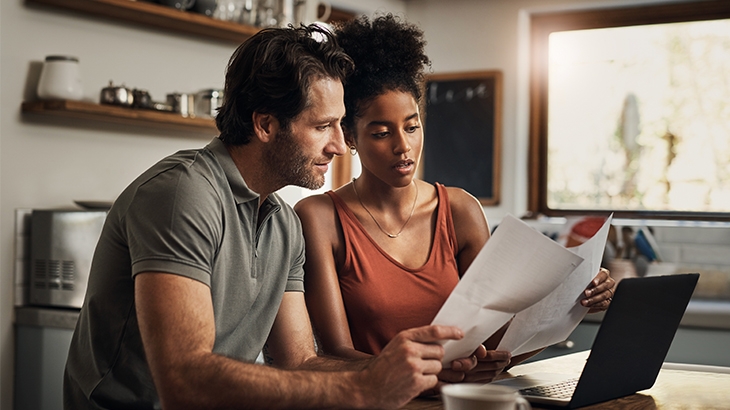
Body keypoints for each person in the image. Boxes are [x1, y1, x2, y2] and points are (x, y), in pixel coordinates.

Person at [63, 24, 468, 410]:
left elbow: (300, 363)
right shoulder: (182, 195)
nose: (339, 147)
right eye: (323, 126)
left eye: (340, 125)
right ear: (266, 124)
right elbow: (183, 382)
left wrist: (411, 371)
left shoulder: (283, 223)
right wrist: (364, 386)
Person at [294, 14, 615, 387]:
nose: (404, 147)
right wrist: (430, 373)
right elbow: (335, 355)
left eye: (412, 127)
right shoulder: (320, 218)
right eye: (381, 133)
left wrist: (574, 301)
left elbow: (497, 343)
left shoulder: (460, 210)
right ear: (349, 135)